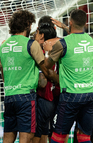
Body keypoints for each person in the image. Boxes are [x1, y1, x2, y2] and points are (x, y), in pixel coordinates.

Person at [0, 10, 58, 143]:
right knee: (26, 137)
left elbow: (3, 75)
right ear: (28, 25)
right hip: (26, 97)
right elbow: (46, 70)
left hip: (9, 95)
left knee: (8, 136)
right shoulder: (31, 44)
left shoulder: (2, 46)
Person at [44, 9, 93, 143]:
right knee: (84, 136)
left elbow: (47, 65)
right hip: (91, 93)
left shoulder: (62, 44)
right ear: (85, 23)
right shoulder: (90, 40)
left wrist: (47, 51)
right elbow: (77, 36)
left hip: (71, 95)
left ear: (70, 21)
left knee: (58, 137)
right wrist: (65, 27)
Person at [32, 15, 60, 143]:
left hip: (43, 98)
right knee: (49, 134)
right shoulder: (60, 46)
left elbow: (42, 82)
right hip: (55, 97)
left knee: (35, 136)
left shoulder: (40, 50)